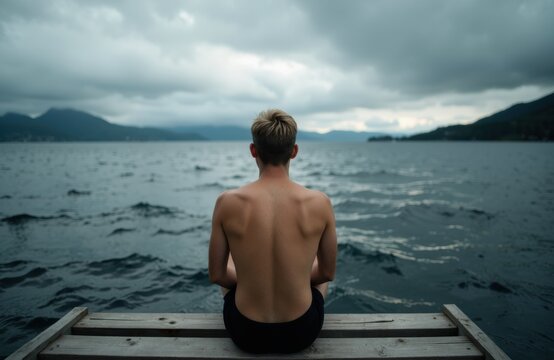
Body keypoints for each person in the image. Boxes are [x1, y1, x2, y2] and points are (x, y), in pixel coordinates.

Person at [208, 109, 337, 353]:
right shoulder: (320, 203)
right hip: (302, 332)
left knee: (234, 261)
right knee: (318, 277)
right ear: (294, 151)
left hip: (245, 331)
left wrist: (249, 277)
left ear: (253, 151)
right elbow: (328, 272)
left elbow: (216, 275)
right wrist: (295, 276)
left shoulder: (227, 202)